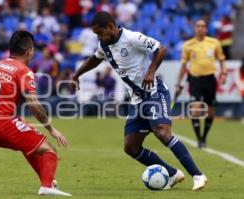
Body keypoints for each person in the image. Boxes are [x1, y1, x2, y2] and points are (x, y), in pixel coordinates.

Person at [72, 11, 207, 191]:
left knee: (162, 132)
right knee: (131, 147)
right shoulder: (104, 45)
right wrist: (77, 74)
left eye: (99, 33)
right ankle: (173, 173)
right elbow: (95, 59)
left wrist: (150, 72)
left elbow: (161, 48)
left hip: (154, 93)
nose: (98, 37)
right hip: (137, 100)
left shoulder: (132, 37)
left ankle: (197, 175)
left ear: (111, 27)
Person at [0, 31, 72, 196]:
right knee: (49, 150)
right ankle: (47, 186)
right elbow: (34, 105)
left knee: (29, 144)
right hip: (3, 124)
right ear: (29, 52)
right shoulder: (23, 70)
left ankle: (48, 182)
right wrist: (51, 129)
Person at [175, 19, 227, 148]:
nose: (200, 28)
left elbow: (221, 60)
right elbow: (183, 65)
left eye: (203, 26)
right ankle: (199, 139)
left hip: (210, 79)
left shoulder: (214, 43)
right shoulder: (188, 45)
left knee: (210, 111)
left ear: (206, 29)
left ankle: (204, 137)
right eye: (197, 26)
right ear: (194, 28)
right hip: (194, 79)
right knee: (195, 109)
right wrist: (178, 83)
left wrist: (224, 73)